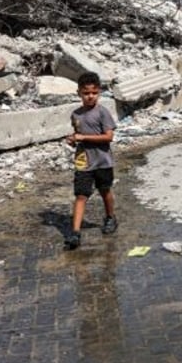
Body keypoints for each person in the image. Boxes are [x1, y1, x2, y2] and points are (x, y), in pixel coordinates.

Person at [64, 72, 117, 250]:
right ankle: (75, 232)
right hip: (84, 161)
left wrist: (83, 137)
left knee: (105, 191)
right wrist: (74, 140)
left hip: (103, 161)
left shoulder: (103, 113)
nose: (90, 97)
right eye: (86, 93)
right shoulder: (76, 115)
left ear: (99, 92)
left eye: (94, 93)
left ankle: (110, 217)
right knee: (81, 195)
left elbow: (108, 137)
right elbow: (79, 136)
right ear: (79, 93)